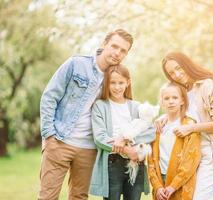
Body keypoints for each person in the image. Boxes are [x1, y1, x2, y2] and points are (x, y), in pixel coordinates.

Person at [38, 29, 133, 200]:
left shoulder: (115, 78)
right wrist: (49, 134)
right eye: (114, 46)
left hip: (89, 148)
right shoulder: (76, 64)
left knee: (79, 197)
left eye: (123, 50)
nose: (117, 53)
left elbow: (123, 110)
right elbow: (49, 97)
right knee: (47, 196)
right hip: (59, 140)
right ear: (104, 44)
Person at [160, 52, 213, 200]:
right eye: (171, 73)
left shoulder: (208, 85)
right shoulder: (185, 91)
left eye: (178, 68)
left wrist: (191, 129)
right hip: (188, 154)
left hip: (209, 152)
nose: (176, 74)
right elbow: (184, 114)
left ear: (186, 64)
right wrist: (163, 117)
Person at [89, 65, 155, 200]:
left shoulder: (136, 106)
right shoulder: (100, 106)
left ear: (128, 83)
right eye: (112, 82)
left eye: (121, 82)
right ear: (107, 83)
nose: (117, 87)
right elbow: (100, 137)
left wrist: (126, 139)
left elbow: (150, 131)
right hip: (113, 163)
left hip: (135, 163)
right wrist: (126, 150)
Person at [148, 82, 201, 200]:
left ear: (182, 100)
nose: (171, 101)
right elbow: (151, 160)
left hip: (180, 182)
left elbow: (191, 161)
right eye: (166, 98)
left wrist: (173, 186)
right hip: (160, 181)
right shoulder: (157, 127)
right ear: (162, 102)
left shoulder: (189, 126)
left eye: (175, 97)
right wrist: (157, 186)